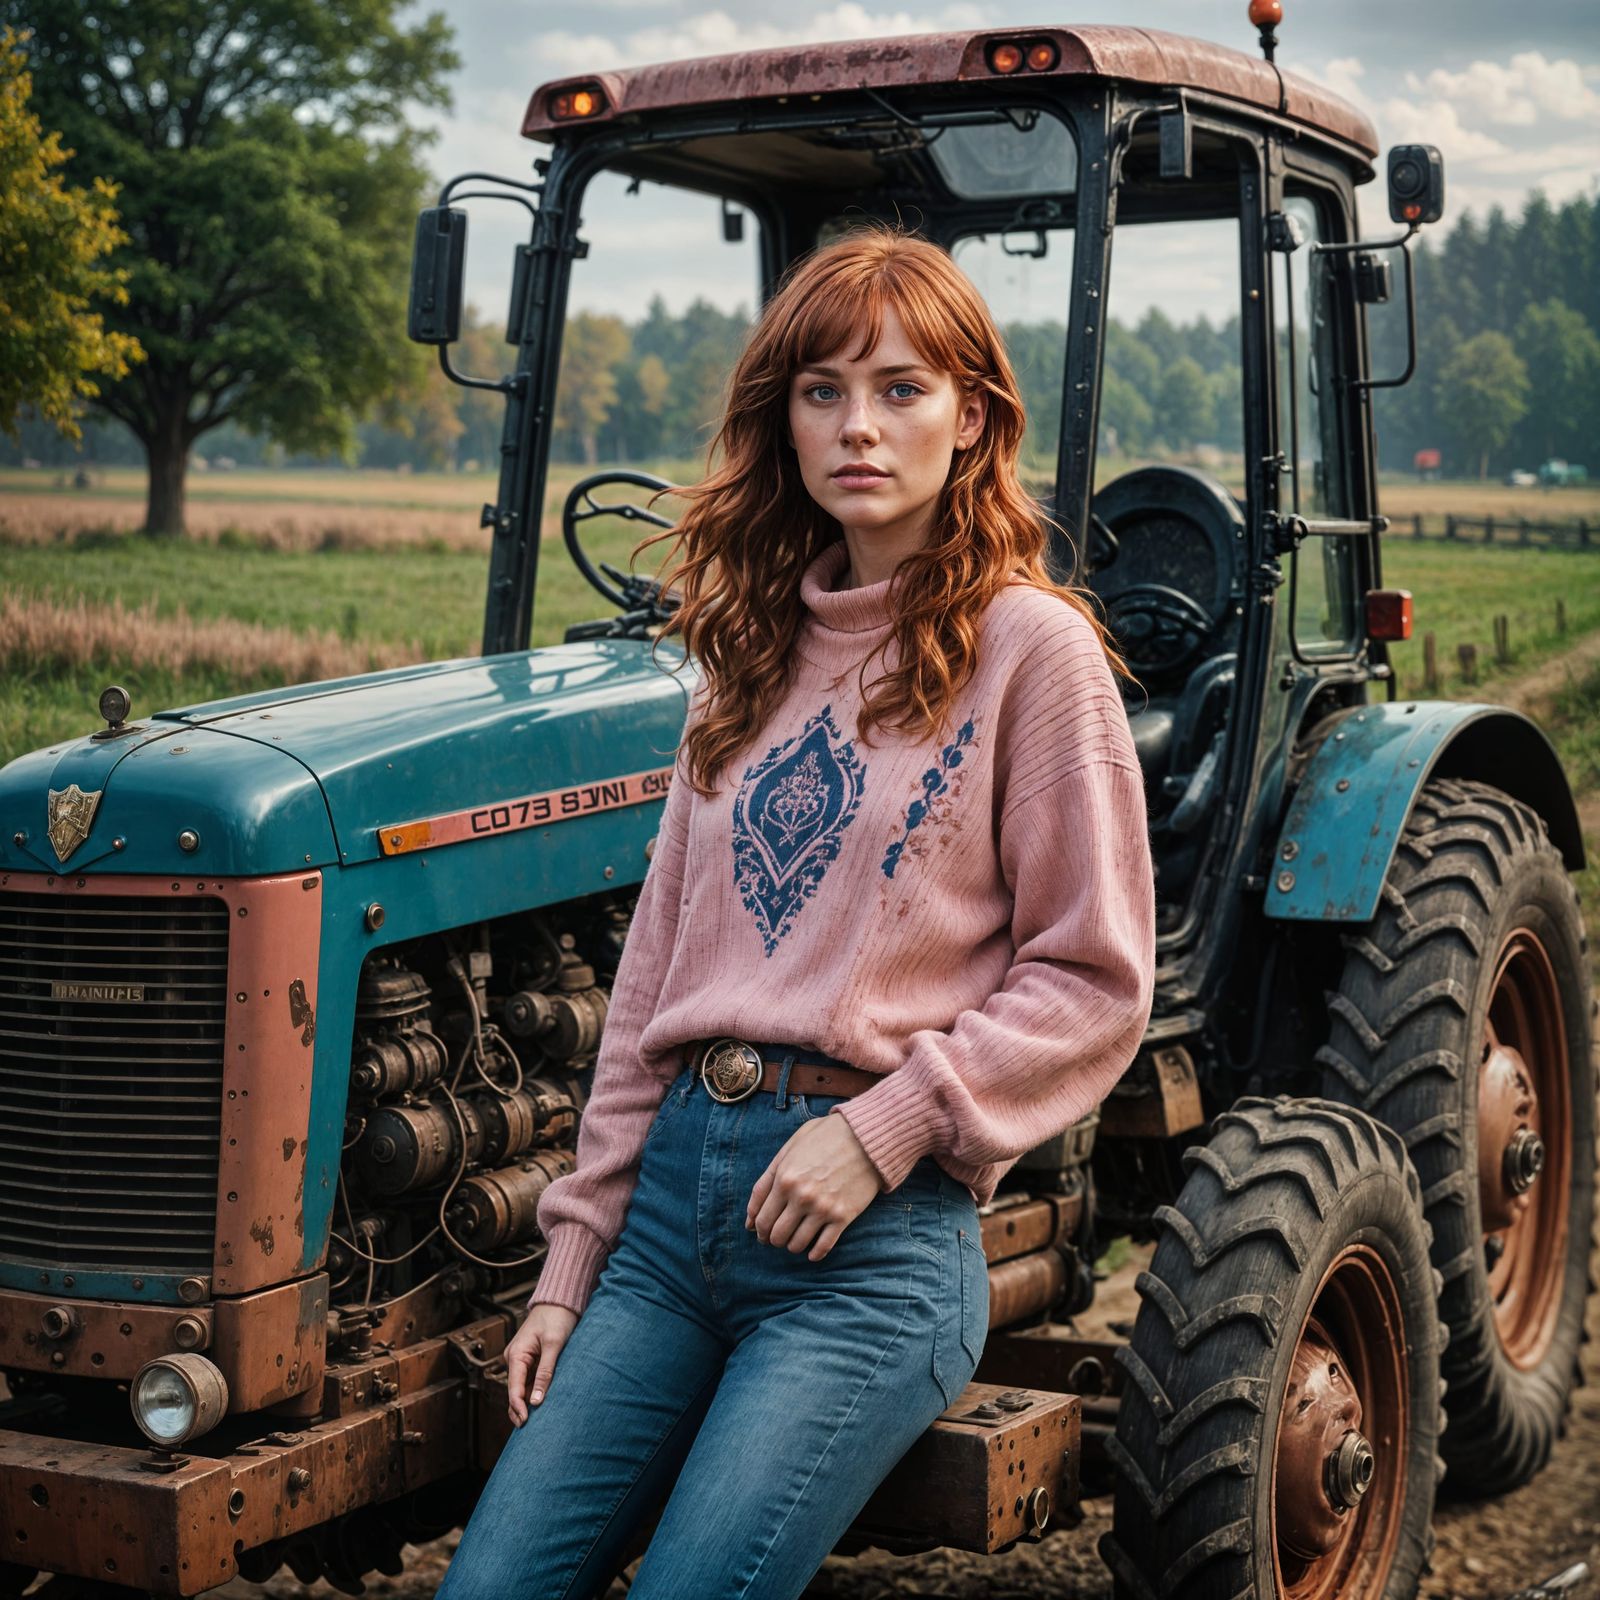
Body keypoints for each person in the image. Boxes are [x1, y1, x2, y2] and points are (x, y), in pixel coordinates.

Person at [435, 224, 1156, 1600]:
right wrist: (569, 1260)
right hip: (668, 1229)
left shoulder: (1030, 650)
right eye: (821, 391)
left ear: (974, 417)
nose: (858, 427)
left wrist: (882, 1132)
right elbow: (651, 983)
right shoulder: (740, 654)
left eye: (900, 388)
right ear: (783, 423)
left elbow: (1095, 980)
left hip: (867, 1245)